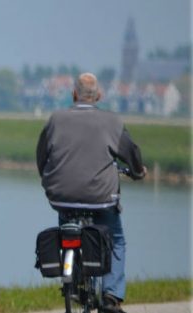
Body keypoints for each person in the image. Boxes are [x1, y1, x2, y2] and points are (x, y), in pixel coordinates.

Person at [36, 73, 145, 313]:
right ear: (99, 96)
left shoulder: (55, 119)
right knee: (116, 240)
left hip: (61, 197)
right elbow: (131, 154)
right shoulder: (113, 122)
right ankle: (111, 296)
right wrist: (138, 171)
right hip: (101, 200)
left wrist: (47, 178)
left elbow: (41, 155)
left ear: (73, 94)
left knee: (67, 221)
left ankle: (73, 277)